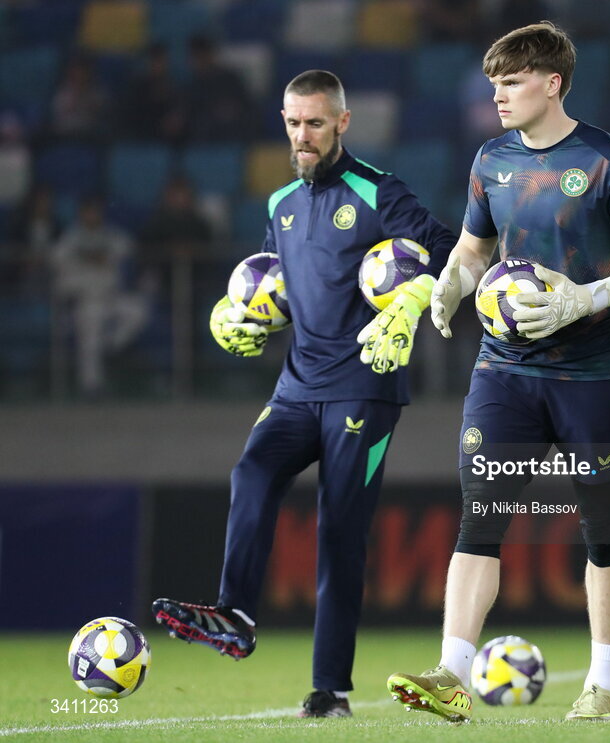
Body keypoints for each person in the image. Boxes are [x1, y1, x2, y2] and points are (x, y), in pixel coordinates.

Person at [384, 22, 610, 722]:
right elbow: (475, 248)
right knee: (480, 520)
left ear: (552, 83)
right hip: (504, 370)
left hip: (594, 373)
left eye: (511, 82)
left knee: (604, 530)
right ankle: (453, 672)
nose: (498, 95)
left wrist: (585, 296)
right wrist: (452, 281)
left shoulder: (608, 161)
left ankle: (601, 686)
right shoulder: (491, 160)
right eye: (494, 83)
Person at [151, 70, 456, 718]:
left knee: (339, 529)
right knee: (251, 472)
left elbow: (452, 254)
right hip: (296, 386)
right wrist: (246, 318)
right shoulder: (279, 204)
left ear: (342, 123)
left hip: (365, 388)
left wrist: (412, 298)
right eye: (292, 122)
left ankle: (330, 689)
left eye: (315, 122)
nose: (302, 134)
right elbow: (277, 286)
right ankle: (234, 613)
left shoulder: (379, 192)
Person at [51, 196, 149, 396]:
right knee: (90, 330)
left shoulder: (110, 235)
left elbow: (130, 247)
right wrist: (87, 257)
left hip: (110, 297)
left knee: (139, 310)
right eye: (88, 211)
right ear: (81, 213)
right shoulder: (71, 238)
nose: (92, 215)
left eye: (95, 211)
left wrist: (103, 255)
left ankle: (109, 347)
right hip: (84, 300)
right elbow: (55, 259)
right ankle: (91, 387)